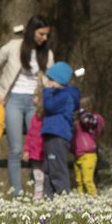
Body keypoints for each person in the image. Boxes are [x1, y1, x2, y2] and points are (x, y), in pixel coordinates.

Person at [0, 15, 55, 196]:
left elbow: (50, 79)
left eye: (47, 35)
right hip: (13, 100)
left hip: (35, 103)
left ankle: (39, 191)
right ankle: (17, 193)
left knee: (37, 148)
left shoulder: (48, 54)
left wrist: (44, 89)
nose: (44, 38)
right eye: (41, 34)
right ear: (32, 31)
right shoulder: (13, 47)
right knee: (15, 149)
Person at [40, 62, 80, 197]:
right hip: (51, 133)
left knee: (57, 167)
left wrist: (46, 91)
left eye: (52, 80)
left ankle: (61, 195)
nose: (49, 83)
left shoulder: (64, 96)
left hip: (58, 134)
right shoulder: (61, 94)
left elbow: (49, 106)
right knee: (49, 168)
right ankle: (49, 195)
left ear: (61, 80)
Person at [72, 95, 105, 196]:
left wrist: (83, 115)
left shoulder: (94, 120)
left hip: (88, 154)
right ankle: (81, 199)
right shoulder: (76, 122)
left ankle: (93, 198)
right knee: (79, 181)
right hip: (77, 154)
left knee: (88, 180)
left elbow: (97, 125)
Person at [22, 83, 46, 200]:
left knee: (46, 175)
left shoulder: (47, 117)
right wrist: (27, 150)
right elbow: (30, 135)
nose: (33, 99)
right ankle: (38, 196)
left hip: (44, 151)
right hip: (34, 152)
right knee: (37, 175)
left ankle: (47, 195)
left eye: (35, 96)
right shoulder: (34, 117)